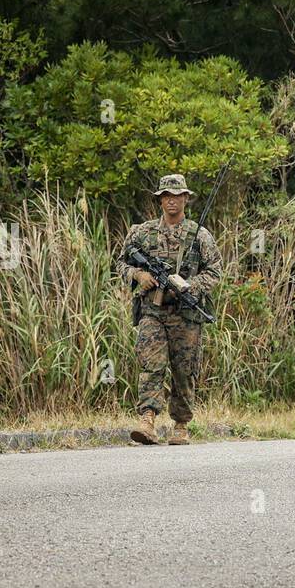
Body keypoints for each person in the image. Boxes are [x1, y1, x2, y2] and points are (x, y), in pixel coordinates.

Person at [115, 174, 221, 445]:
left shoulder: (200, 235)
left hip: (186, 313)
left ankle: (181, 424)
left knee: (184, 369)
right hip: (152, 310)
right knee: (151, 364)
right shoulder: (142, 232)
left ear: (185, 198)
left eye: (176, 196)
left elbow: (215, 272)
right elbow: (120, 263)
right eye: (166, 196)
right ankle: (147, 419)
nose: (171, 201)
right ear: (160, 200)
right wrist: (139, 276)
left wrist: (189, 285)